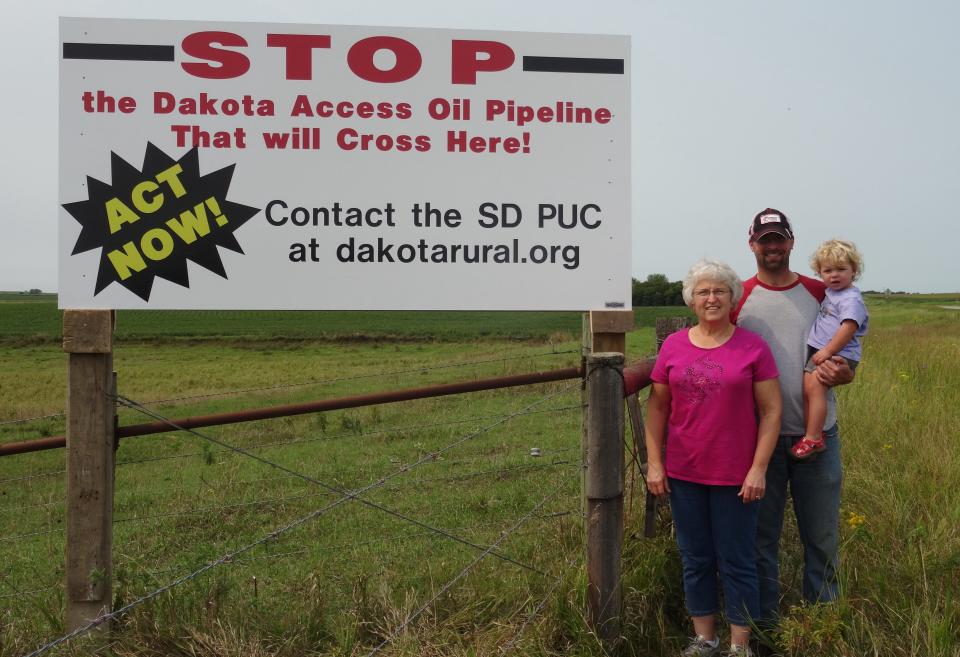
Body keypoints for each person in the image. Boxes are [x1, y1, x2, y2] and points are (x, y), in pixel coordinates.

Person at [645, 259, 782, 657]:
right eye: (703, 291)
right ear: (691, 300)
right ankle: (705, 639)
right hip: (685, 471)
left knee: (738, 559)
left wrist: (758, 468)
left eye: (719, 291)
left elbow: (772, 411)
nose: (711, 298)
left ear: (732, 298)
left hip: (736, 474)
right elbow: (657, 408)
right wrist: (656, 463)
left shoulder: (752, 346)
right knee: (695, 557)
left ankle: (740, 645)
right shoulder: (674, 345)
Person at [731, 208, 855, 638]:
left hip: (817, 438)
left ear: (791, 243)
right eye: (764, 240)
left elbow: (848, 359)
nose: (772, 247)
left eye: (779, 239)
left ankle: (821, 629)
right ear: (751, 244)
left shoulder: (823, 291)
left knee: (821, 541)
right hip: (759, 445)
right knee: (760, 543)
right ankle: (765, 629)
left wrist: (845, 372)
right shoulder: (738, 298)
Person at [792, 240, 868, 459]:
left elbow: (849, 326)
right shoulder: (832, 293)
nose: (834, 275)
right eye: (828, 270)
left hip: (837, 353)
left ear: (854, 271)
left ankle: (814, 437)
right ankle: (810, 433)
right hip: (824, 350)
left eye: (841, 269)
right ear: (819, 272)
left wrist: (827, 351)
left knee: (814, 390)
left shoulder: (850, 298)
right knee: (808, 388)